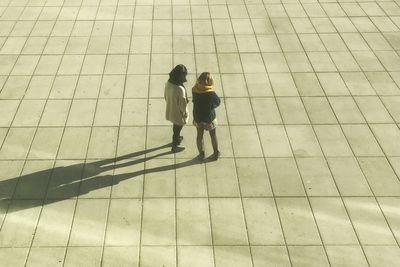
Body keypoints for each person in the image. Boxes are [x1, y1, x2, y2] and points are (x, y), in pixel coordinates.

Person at [192, 72, 221, 161]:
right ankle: (216, 153)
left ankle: (201, 153)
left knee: (199, 135)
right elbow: (218, 102)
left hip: (198, 118)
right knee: (213, 135)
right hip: (209, 119)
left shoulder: (194, 89)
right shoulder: (211, 94)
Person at [164, 64, 189, 153]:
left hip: (171, 108)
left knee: (176, 126)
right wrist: (184, 113)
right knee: (178, 128)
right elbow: (183, 104)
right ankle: (174, 146)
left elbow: (165, 96)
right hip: (178, 112)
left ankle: (177, 138)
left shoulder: (168, 83)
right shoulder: (180, 89)